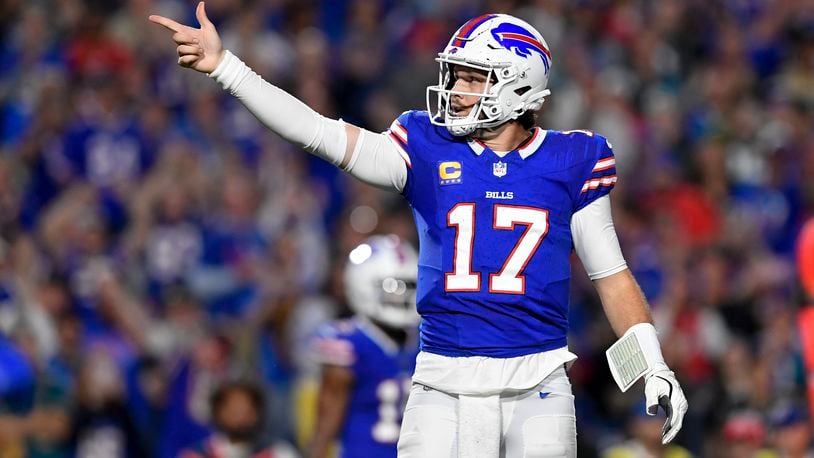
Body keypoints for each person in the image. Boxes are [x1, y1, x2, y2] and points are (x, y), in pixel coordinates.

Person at [149, 4, 688, 456]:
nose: (456, 88)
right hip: (442, 379)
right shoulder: (425, 145)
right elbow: (319, 134)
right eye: (457, 74)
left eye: (475, 78)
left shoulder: (573, 157)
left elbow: (611, 275)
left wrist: (653, 364)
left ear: (518, 85)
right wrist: (227, 68)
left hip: (538, 383)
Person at [309, 235, 420, 458]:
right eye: (393, 288)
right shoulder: (348, 342)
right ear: (362, 283)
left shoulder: (424, 338)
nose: (402, 297)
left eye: (408, 288)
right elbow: (326, 423)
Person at [180, 380, 299, 458]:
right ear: (218, 412)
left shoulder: (280, 453)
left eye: (248, 409)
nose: (242, 416)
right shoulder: (196, 454)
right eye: (235, 409)